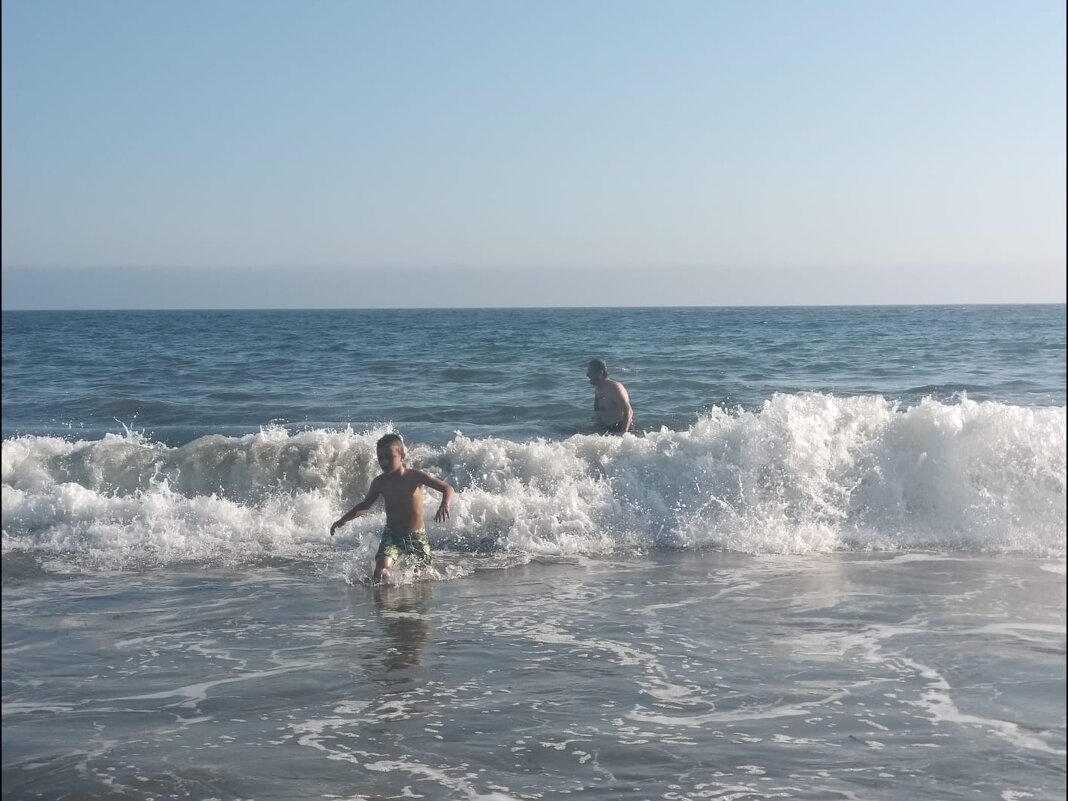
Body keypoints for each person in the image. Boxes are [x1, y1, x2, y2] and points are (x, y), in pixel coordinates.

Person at [330, 433, 455, 583]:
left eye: (389, 457)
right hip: (392, 536)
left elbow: (448, 489)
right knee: (381, 573)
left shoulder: (416, 477)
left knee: (423, 578)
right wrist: (343, 520)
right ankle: (385, 602)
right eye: (380, 458)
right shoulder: (379, 483)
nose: (384, 462)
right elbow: (365, 505)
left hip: (416, 536)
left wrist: (444, 504)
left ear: (402, 456)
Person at [586, 357, 633, 435]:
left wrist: (624, 432)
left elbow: (629, 410)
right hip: (605, 429)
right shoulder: (598, 388)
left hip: (618, 428)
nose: (587, 374)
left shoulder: (614, 387)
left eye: (590, 371)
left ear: (600, 373)